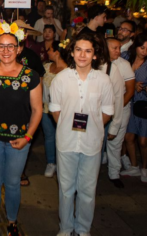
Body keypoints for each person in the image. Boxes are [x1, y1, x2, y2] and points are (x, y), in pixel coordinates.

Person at [0, 24, 42, 236]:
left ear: (19, 49)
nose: (5, 51)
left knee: (13, 183)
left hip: (19, 141)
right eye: (1, 46)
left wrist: (28, 137)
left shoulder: (31, 76)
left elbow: (37, 110)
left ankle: (12, 222)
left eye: (10, 46)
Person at [50, 33, 114, 236]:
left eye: (88, 51)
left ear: (95, 55)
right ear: (72, 51)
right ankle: (66, 228)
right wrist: (69, 127)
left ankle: (83, 229)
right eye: (78, 50)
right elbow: (55, 109)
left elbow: (107, 112)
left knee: (87, 191)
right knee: (66, 190)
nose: (82, 55)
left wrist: (92, 128)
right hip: (66, 142)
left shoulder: (103, 80)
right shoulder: (61, 78)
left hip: (92, 144)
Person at [120, 33, 147, 183]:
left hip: (142, 104)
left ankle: (144, 167)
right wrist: (131, 84)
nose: (144, 51)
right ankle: (134, 166)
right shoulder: (125, 57)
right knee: (128, 137)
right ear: (135, 46)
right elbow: (117, 77)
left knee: (143, 140)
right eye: (142, 47)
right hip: (127, 102)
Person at [105, 38, 136, 188]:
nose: (118, 51)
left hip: (121, 108)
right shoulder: (98, 64)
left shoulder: (124, 65)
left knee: (115, 142)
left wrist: (115, 111)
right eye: (114, 48)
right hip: (102, 111)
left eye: (119, 48)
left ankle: (114, 173)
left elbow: (130, 91)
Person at [41, 41, 68, 178]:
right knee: (49, 137)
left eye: (50, 49)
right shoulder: (46, 67)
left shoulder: (68, 71)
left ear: (57, 52)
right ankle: (51, 162)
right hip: (46, 108)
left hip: (63, 111)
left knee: (63, 138)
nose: (48, 52)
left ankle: (63, 164)